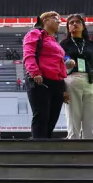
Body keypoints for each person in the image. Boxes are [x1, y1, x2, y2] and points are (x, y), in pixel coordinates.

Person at [23, 11, 69, 139]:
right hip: (41, 80)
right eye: (55, 18)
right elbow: (29, 54)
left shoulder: (54, 40)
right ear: (45, 20)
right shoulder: (35, 33)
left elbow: (59, 65)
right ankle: (38, 147)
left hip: (57, 83)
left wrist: (63, 88)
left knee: (53, 117)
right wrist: (35, 72)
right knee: (41, 115)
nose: (59, 21)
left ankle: (45, 145)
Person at [60, 14, 93, 140]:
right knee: (73, 121)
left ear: (83, 26)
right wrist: (62, 90)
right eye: (71, 23)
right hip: (71, 81)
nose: (74, 24)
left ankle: (90, 154)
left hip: (91, 81)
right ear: (68, 28)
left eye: (78, 22)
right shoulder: (63, 44)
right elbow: (59, 68)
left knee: (90, 122)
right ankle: (73, 153)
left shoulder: (91, 44)